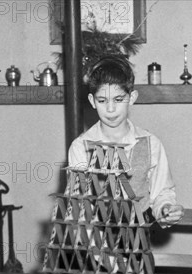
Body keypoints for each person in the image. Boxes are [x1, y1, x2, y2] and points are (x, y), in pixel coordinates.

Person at [68, 55, 183, 227]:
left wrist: (166, 209)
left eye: (118, 99)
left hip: (138, 241)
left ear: (132, 97)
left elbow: (162, 192)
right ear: (92, 101)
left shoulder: (151, 143)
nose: (111, 109)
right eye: (102, 101)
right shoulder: (81, 147)